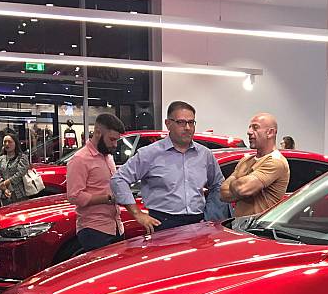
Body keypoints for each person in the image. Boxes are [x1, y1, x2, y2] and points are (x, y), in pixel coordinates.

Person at [110, 101, 223, 234]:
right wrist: (137, 214)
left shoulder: (204, 154)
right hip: (163, 222)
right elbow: (119, 179)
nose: (187, 127)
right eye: (181, 122)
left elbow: (218, 185)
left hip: (198, 222)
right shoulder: (150, 154)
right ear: (168, 124)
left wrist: (211, 214)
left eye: (191, 122)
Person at [67, 113, 126, 251]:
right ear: (98, 133)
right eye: (112, 139)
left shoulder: (108, 156)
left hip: (116, 226)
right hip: (94, 229)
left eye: (116, 140)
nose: (115, 144)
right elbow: (74, 195)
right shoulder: (80, 159)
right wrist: (107, 198)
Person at [220, 112, 290, 218]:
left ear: (270, 133)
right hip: (239, 224)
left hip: (259, 226)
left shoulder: (276, 161)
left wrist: (237, 178)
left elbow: (242, 188)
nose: (249, 132)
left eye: (255, 128)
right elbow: (223, 193)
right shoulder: (246, 160)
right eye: (249, 127)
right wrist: (241, 186)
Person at [0, 132, 31, 205]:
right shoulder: (1, 159)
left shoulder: (22, 157)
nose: (7, 144)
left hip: (19, 194)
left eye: (10, 142)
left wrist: (7, 182)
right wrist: (4, 188)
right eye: (5, 142)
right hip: (4, 194)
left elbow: (20, 173)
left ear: (15, 143)